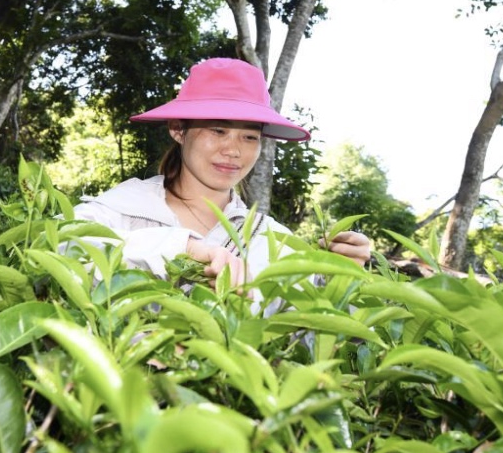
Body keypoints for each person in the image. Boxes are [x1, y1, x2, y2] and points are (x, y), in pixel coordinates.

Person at [72, 57, 371, 297]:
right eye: (218, 130)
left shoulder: (272, 239)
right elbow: (65, 246)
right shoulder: (124, 209)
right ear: (178, 130)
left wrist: (339, 280)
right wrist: (183, 248)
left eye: (250, 137)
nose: (233, 150)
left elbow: (307, 333)